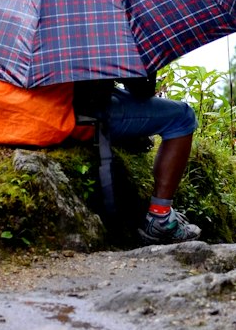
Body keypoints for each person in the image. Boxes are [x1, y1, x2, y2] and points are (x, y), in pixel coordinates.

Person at [73, 73, 201, 245]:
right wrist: (146, 69)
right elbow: (141, 89)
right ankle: (160, 217)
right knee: (183, 117)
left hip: (42, 108)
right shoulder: (102, 46)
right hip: (81, 110)